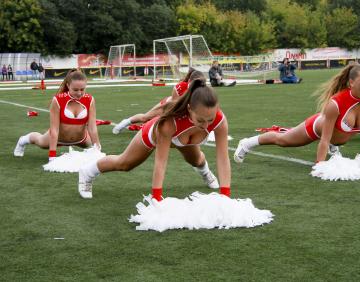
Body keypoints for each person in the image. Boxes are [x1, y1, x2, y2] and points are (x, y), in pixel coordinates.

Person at [78, 78, 231, 200]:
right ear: (190, 109)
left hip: (186, 138)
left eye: (210, 120)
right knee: (125, 164)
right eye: (201, 120)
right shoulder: (169, 123)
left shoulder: (220, 120)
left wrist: (225, 195)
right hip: (157, 135)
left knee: (197, 160)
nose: (206, 125)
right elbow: (161, 162)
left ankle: (206, 174)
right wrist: (156, 198)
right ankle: (87, 172)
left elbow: (223, 158)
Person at [234, 63, 360, 163]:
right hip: (318, 128)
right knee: (283, 140)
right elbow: (325, 138)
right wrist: (320, 165)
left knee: (332, 141)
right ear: (351, 83)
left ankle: (333, 147)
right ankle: (246, 143)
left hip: (335, 135)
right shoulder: (336, 103)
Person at [14, 69, 101, 161]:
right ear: (68, 85)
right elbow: (54, 129)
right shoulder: (58, 100)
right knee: (40, 141)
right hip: (58, 139)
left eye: (82, 89)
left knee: (90, 145)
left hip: (81, 139)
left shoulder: (90, 100)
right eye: (75, 90)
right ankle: (23, 140)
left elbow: (92, 127)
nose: (79, 93)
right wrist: (52, 155)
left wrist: (98, 149)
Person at [112, 68, 202, 134]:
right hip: (169, 105)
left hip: (180, 109)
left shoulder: (202, 89)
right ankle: (125, 122)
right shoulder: (181, 86)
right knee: (145, 118)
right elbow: (175, 104)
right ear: (190, 80)